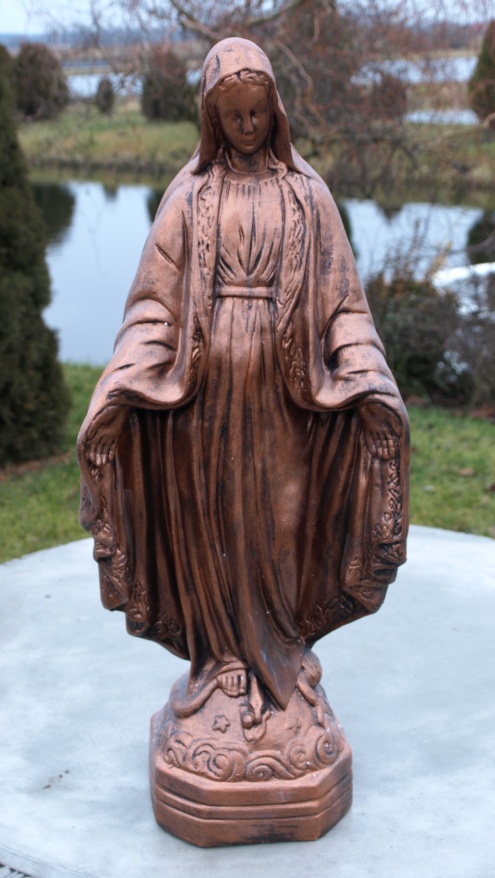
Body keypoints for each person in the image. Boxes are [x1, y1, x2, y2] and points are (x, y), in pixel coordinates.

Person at [78, 37, 409, 721]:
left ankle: (281, 647)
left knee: (280, 523)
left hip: (289, 399)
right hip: (203, 397)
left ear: (276, 110)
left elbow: (344, 306)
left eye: (258, 112)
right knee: (215, 524)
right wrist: (126, 378)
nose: (249, 126)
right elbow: (153, 305)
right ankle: (221, 658)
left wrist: (365, 375)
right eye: (235, 116)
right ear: (212, 118)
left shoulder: (307, 196)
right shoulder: (190, 196)